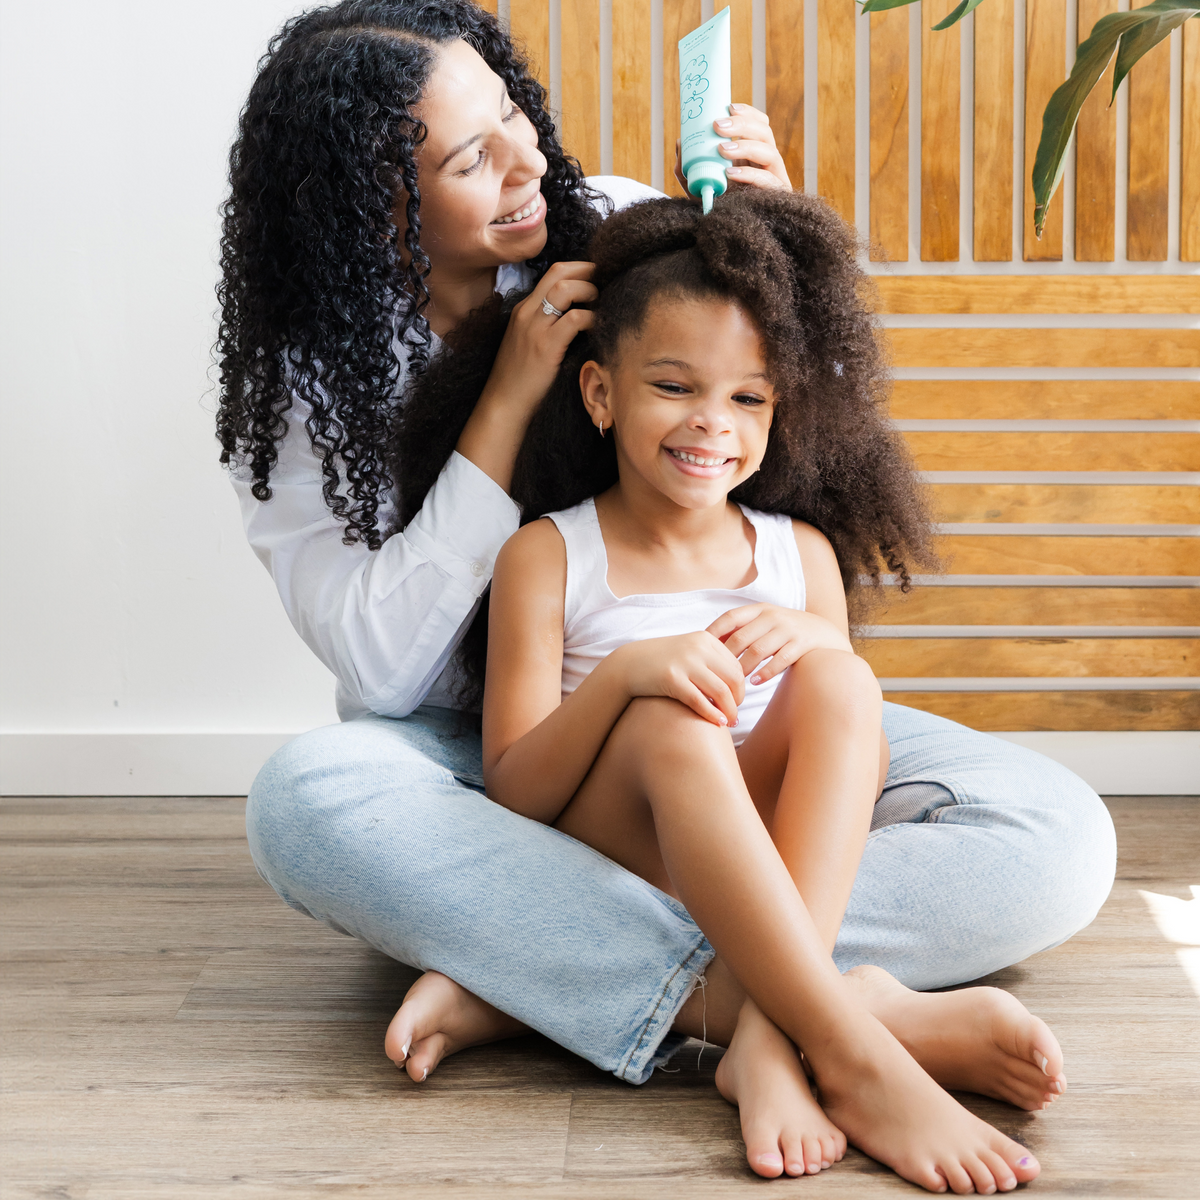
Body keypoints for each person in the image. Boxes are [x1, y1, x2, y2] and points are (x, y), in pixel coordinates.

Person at [217, 0, 1117, 1183]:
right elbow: (387, 672)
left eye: (511, 115)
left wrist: (789, 244)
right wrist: (505, 403)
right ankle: (834, 1021)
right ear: (373, 214)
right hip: (493, 748)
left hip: (735, 693)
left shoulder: (612, 222)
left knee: (1059, 840)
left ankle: (567, 981)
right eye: (469, 156)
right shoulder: (303, 396)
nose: (529, 158)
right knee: (306, 803)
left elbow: (781, 419)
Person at [384, 190, 1059, 1191]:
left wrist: (811, 644)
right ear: (602, 394)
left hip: (770, 875)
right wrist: (625, 679)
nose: (712, 424)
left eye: (748, 398)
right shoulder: (546, 556)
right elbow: (516, 790)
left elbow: (844, 761)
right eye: (674, 385)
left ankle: (763, 1039)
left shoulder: (802, 554)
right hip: (620, 847)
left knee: (840, 677)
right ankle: (852, 1039)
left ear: (780, 408)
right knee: (672, 723)